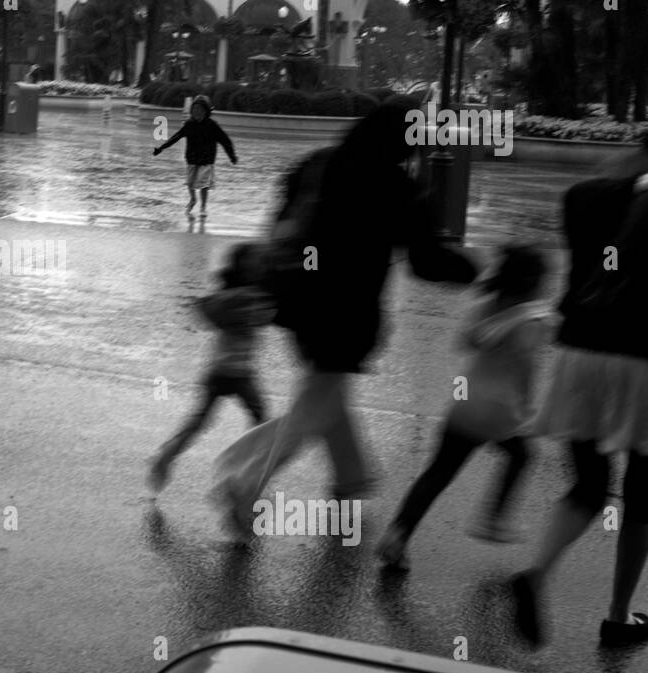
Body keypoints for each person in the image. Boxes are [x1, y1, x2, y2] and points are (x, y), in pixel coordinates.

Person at [207, 103, 478, 541]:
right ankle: (244, 482)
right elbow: (426, 262)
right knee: (314, 405)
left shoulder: (317, 163)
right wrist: (474, 270)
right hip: (349, 313)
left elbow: (280, 221)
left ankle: (352, 477)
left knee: (325, 390)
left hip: (296, 304)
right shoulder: (397, 186)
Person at [511, 125, 648, 648]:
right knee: (643, 490)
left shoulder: (583, 196)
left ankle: (536, 572)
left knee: (589, 485)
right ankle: (618, 615)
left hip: (579, 353)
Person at [377, 245, 550, 569]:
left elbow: (465, 341)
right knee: (523, 455)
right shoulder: (533, 319)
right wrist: (527, 408)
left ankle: (396, 536)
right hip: (499, 410)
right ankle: (494, 519)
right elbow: (527, 366)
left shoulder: (487, 304)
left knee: (437, 474)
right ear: (533, 282)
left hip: (464, 403)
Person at [147, 242, 273, 494]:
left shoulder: (239, 295)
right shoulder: (246, 297)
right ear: (246, 268)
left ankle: (165, 457)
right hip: (236, 374)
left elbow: (205, 309)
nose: (260, 266)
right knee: (261, 421)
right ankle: (250, 473)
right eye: (256, 262)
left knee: (199, 423)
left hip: (220, 372)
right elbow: (264, 315)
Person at [153, 94, 238, 218]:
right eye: (195, 110)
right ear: (192, 111)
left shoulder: (212, 125)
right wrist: (161, 148)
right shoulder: (189, 124)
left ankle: (203, 207)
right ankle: (193, 199)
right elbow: (176, 137)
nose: (197, 112)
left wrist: (232, 156)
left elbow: (225, 140)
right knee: (190, 183)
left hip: (206, 160)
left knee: (204, 184)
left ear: (206, 111)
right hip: (191, 159)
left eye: (200, 110)